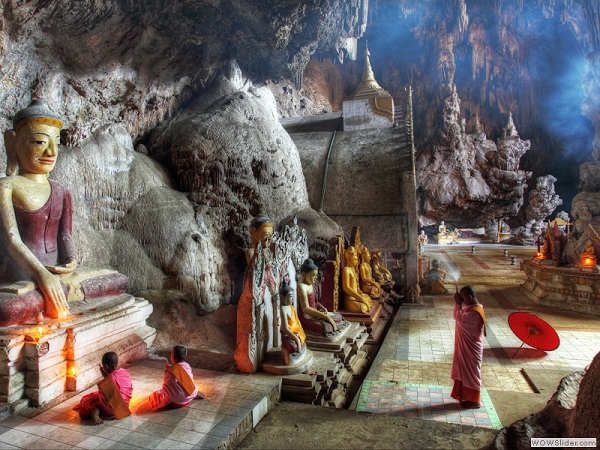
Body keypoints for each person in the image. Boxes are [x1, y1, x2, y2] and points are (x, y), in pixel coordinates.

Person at [0, 100, 128, 326]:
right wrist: (41, 275)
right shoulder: (7, 186)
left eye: (56, 143)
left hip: (60, 275)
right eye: (39, 141)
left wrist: (70, 260)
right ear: (12, 142)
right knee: (9, 309)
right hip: (22, 277)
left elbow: (65, 236)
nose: (51, 152)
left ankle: (58, 292)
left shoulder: (61, 190)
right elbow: (12, 241)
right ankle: (52, 293)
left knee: (117, 281)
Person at [451, 286, 486, 409]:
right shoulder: (472, 308)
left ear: (470, 297)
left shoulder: (475, 312)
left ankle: (475, 400)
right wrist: (459, 305)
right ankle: (466, 397)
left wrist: (458, 304)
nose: (462, 301)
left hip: (472, 348)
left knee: (472, 373)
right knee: (464, 372)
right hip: (467, 346)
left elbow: (460, 320)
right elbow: (457, 317)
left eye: (463, 298)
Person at [73, 351, 133, 424]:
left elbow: (104, 398)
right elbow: (113, 386)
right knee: (96, 395)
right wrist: (105, 376)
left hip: (112, 410)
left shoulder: (107, 382)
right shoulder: (124, 372)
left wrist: (104, 382)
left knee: (87, 399)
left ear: (106, 366)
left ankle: (94, 412)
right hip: (124, 406)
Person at [297, 258, 345, 335]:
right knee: (326, 325)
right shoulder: (302, 287)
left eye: (316, 275)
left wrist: (321, 307)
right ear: (303, 275)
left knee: (338, 316)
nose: (315, 278)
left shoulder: (311, 285)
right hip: (308, 317)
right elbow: (306, 309)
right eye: (313, 275)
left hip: (315, 313)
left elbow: (315, 302)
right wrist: (326, 317)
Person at [148, 345, 204, 410]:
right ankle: (194, 393)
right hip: (189, 398)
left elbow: (167, 384)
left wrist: (169, 371)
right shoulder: (187, 365)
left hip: (177, 402)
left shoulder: (172, 370)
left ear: (174, 357)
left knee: (155, 397)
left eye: (171, 354)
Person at [279, 283, 306, 364]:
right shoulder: (283, 309)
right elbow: (285, 329)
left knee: (300, 343)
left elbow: (296, 323)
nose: (292, 299)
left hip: (294, 332)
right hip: (287, 334)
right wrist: (296, 339)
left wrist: (297, 336)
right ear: (282, 297)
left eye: (293, 296)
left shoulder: (291, 307)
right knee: (294, 348)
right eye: (290, 296)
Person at [341, 246, 373, 314]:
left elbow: (354, 285)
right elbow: (346, 288)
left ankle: (364, 302)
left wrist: (359, 292)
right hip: (350, 300)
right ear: (349, 258)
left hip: (356, 298)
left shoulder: (352, 269)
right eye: (355, 259)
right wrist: (360, 298)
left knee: (368, 298)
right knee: (363, 307)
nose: (357, 262)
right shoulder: (346, 270)